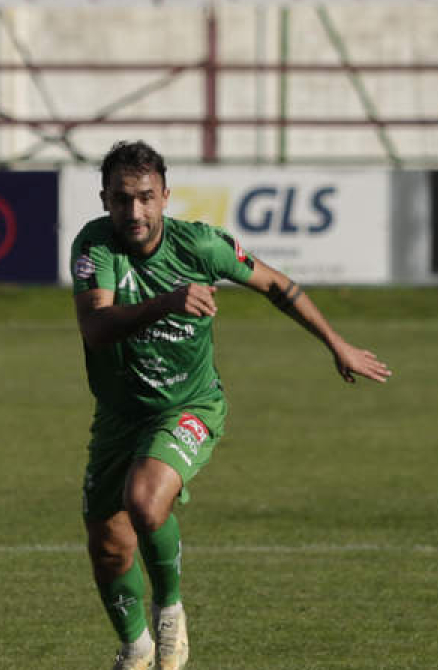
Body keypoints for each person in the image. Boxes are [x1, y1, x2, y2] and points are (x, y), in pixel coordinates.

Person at [70, 140, 391, 670]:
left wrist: (338, 344)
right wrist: (169, 303)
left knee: (147, 501)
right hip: (119, 415)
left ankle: (169, 610)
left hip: (189, 405)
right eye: (123, 199)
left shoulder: (201, 247)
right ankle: (136, 648)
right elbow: (96, 327)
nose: (136, 211)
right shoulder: (96, 247)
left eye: (147, 198)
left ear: (166, 197)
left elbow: (276, 284)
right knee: (108, 546)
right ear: (104, 199)